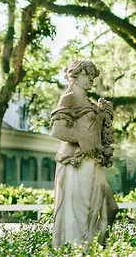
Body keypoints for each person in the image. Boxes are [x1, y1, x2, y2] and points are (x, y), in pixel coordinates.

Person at [50, 60, 118, 248]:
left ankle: (96, 249)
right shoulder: (69, 99)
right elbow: (58, 131)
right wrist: (81, 138)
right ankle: (79, 250)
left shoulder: (90, 103)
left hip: (93, 163)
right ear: (74, 75)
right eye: (86, 74)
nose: (90, 79)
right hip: (76, 163)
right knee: (80, 215)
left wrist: (104, 115)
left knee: (110, 208)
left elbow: (98, 135)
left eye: (92, 75)